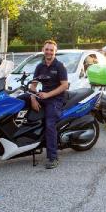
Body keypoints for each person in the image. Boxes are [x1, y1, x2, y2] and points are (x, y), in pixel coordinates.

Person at [28, 40, 68, 169]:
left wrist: (48, 95)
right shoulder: (40, 66)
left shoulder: (59, 66)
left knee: (49, 124)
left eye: (51, 50)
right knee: (19, 100)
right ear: (43, 50)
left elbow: (64, 85)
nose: (49, 52)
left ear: (55, 51)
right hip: (42, 96)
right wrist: (32, 97)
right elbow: (33, 85)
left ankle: (53, 157)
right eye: (47, 49)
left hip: (56, 99)